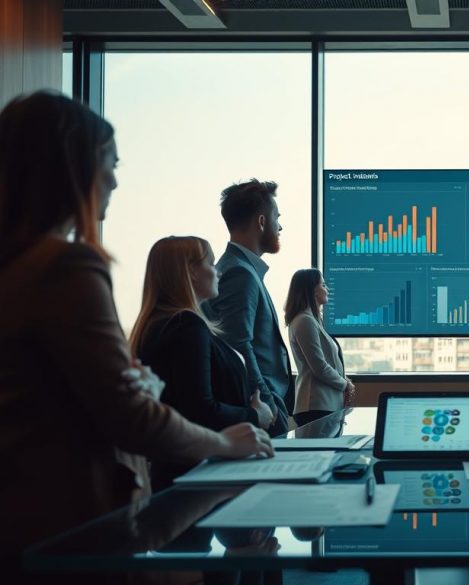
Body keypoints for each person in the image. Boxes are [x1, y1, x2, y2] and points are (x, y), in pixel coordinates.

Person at [0, 91, 272, 575]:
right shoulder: (67, 269)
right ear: (72, 168)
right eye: (110, 164)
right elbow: (132, 419)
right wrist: (226, 443)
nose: (115, 180)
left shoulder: (17, 267)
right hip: (66, 526)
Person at [130, 236, 275, 489]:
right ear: (192, 272)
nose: (218, 271)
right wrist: (255, 415)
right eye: (210, 263)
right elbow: (199, 409)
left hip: (181, 471)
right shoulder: (187, 325)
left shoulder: (159, 325)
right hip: (202, 471)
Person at [203, 179, 292, 436]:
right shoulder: (240, 273)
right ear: (261, 222)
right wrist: (270, 407)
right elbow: (238, 346)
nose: (280, 226)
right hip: (259, 409)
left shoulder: (237, 268)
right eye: (277, 218)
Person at [284, 268, 355, 428]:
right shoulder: (304, 321)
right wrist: (345, 384)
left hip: (324, 405)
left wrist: (344, 381)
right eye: (323, 285)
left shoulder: (313, 321)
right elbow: (319, 366)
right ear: (312, 290)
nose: (327, 289)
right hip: (315, 405)